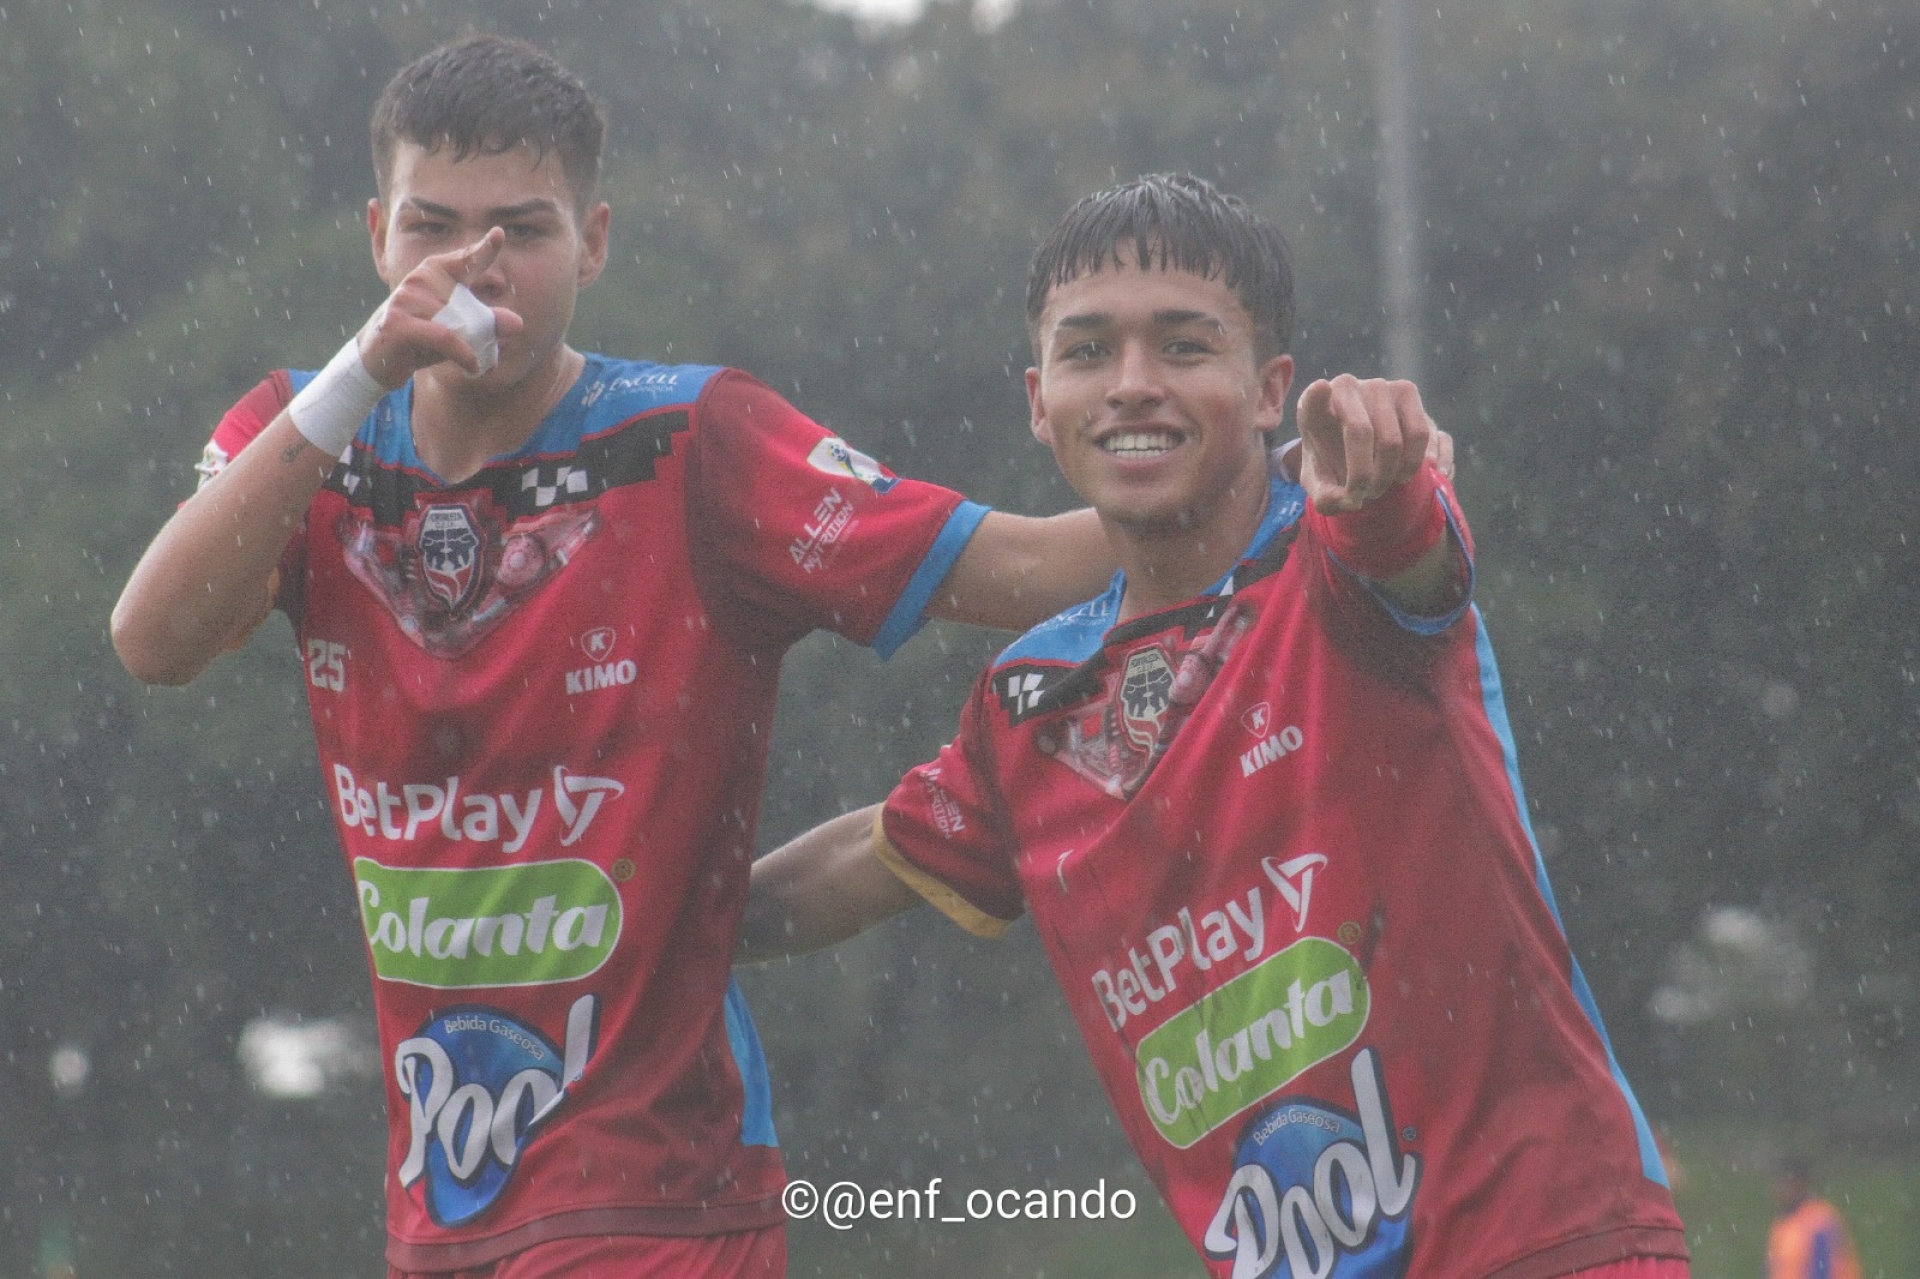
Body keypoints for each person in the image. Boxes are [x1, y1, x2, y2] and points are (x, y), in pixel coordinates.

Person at [109, 34, 1118, 1278]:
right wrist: (362, 370)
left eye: (521, 230)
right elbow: (152, 640)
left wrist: (1250, 496)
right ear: (376, 236)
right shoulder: (305, 436)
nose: (473, 266)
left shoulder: (695, 437)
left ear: (592, 243)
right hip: (441, 1209)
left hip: (657, 1202)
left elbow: (1021, 565)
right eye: (433, 225)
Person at [739, 173, 1691, 1277]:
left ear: (1271, 387)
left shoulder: (1335, 564)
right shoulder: (1029, 701)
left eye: (1184, 346)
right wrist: (651, 924)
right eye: (1089, 351)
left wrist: (1382, 466)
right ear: (1040, 400)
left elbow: (1406, 542)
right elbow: (845, 870)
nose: (1132, 385)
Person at [1767, 1156, 1862, 1279]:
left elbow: (1823, 1270)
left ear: (1800, 1183)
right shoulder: (1783, 1223)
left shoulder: (1819, 1222)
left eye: (1785, 1184)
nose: (1779, 1190)